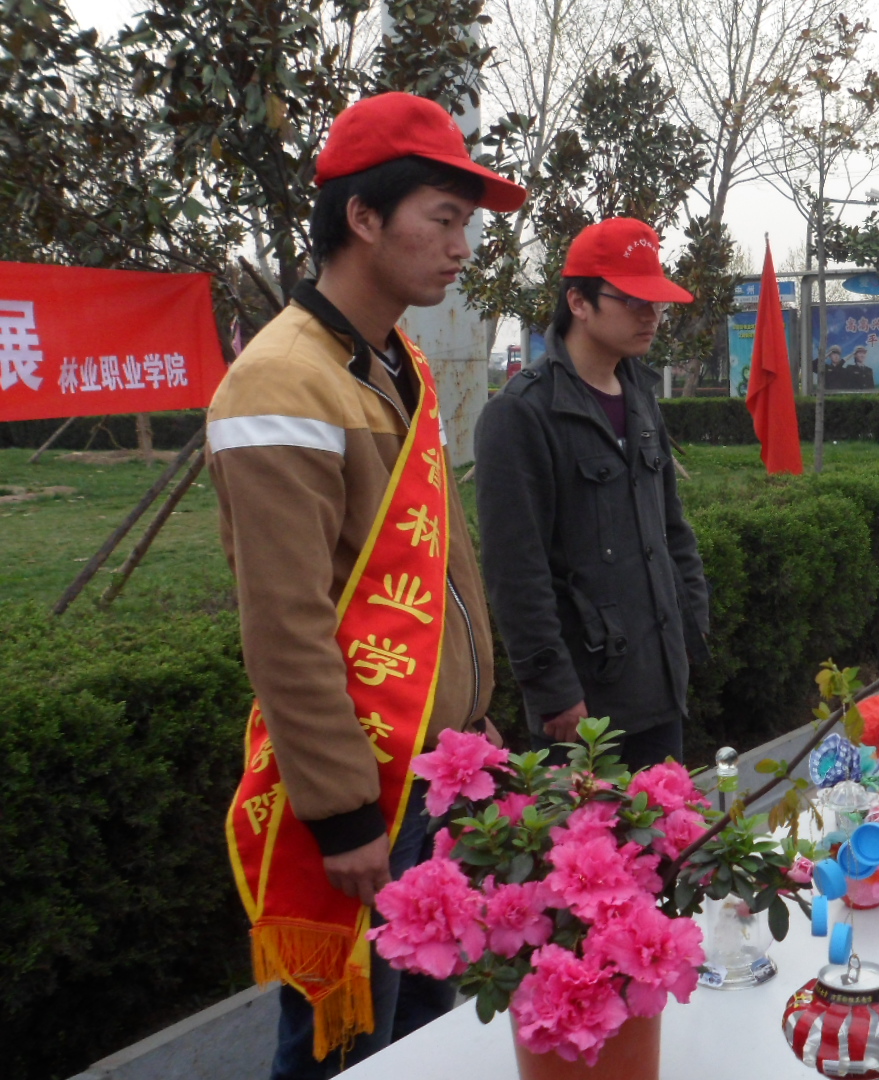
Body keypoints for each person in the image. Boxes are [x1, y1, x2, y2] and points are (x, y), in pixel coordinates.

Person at [204, 92, 523, 1078]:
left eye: (467, 225)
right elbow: (286, 625)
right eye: (445, 219)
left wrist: (472, 725)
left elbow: (440, 566)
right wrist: (344, 811)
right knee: (343, 1046)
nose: (462, 248)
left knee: (423, 1026)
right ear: (363, 216)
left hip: (431, 765)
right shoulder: (283, 381)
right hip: (367, 783)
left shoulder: (392, 362)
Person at [474, 218, 711, 770]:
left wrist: (691, 622)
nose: (651, 316)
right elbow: (515, 569)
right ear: (578, 302)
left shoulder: (640, 396)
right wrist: (551, 686)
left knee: (667, 822)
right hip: (583, 696)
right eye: (632, 300)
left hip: (658, 676)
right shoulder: (522, 414)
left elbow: (670, 527)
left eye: (657, 303)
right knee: (588, 829)